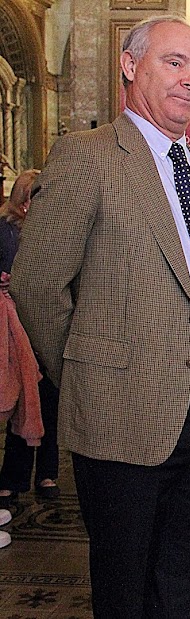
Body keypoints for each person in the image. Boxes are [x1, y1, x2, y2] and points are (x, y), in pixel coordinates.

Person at [10, 16, 190, 617]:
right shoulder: (88, 156)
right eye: (175, 63)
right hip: (122, 413)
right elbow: (38, 284)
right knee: (126, 586)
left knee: (187, 576)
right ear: (129, 65)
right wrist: (89, 373)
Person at [0, 169, 60, 509]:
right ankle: (13, 477)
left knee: (49, 401)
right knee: (21, 401)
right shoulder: (5, 229)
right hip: (14, 325)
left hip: (47, 325)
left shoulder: (54, 231)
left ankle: (47, 473)